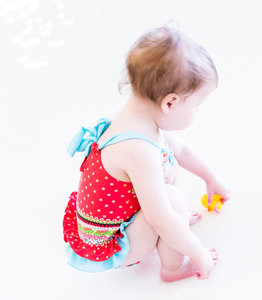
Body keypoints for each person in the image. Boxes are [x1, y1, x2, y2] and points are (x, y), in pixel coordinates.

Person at [62, 25, 230, 282]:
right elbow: (160, 217)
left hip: (123, 220)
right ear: (170, 102)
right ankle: (173, 267)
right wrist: (198, 252)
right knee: (172, 201)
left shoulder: (136, 118)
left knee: (168, 166)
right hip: (116, 244)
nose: (198, 112)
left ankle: (176, 229)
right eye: (198, 105)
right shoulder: (138, 149)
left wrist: (211, 178)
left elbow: (181, 150)